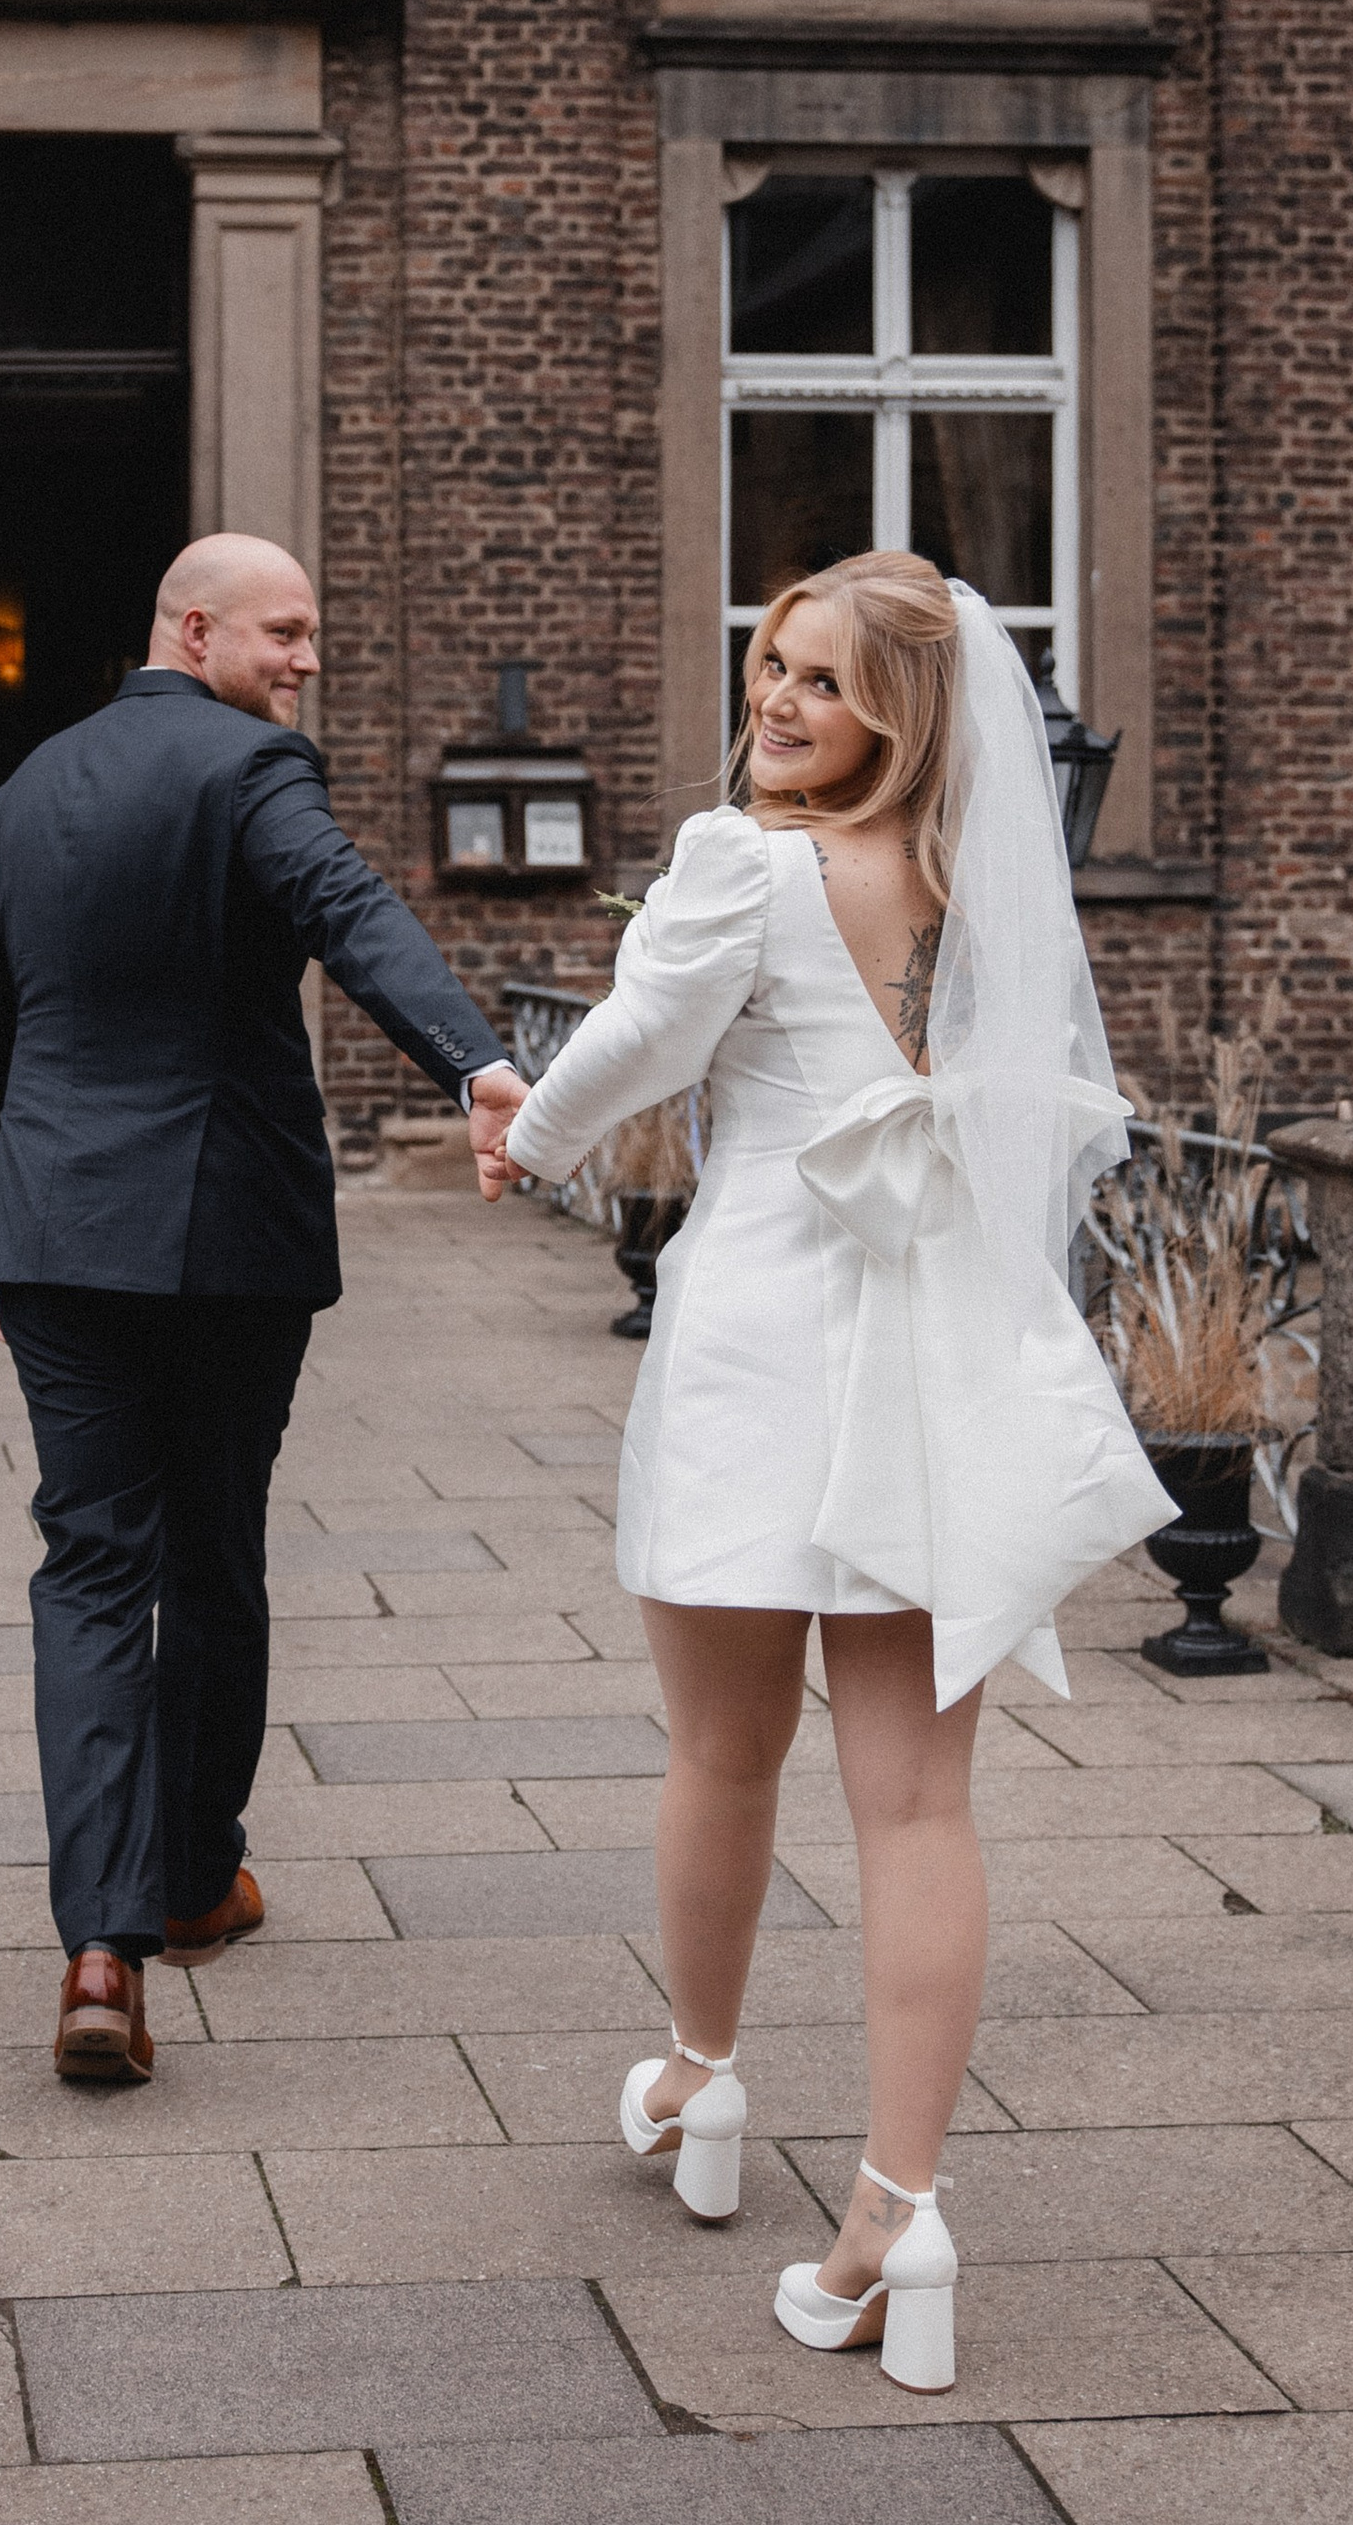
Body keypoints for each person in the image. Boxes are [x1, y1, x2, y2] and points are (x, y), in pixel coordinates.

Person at [490, 553, 1173, 2391]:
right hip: (936, 1349)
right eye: (771, 667)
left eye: (824, 685)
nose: (778, 704)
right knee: (919, 1808)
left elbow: (644, 1048)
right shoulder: (963, 891)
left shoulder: (746, 860)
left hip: (765, 1351)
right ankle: (898, 2206)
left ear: (901, 716)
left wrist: (529, 1140)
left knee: (722, 1749)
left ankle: (704, 2082)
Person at [0, 532, 527, 2083]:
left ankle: (98, 1945)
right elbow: (353, 913)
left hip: (57, 1231)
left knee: (87, 1566)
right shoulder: (254, 774)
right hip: (226, 1236)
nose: (308, 660)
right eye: (286, 632)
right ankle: (194, 1879)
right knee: (211, 1552)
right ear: (192, 628)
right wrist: (476, 1065)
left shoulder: (20, 795)